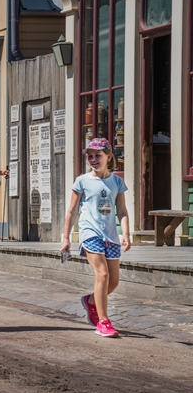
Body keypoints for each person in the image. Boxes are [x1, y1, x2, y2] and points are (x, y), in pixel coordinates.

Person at [60, 138, 131, 338]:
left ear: (109, 157)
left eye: (97, 155)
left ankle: (90, 301)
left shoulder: (117, 182)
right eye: (90, 156)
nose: (93, 159)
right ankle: (103, 321)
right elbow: (72, 211)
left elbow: (122, 211)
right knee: (103, 275)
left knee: (114, 281)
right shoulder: (82, 181)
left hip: (111, 235)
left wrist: (126, 233)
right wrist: (66, 238)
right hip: (90, 233)